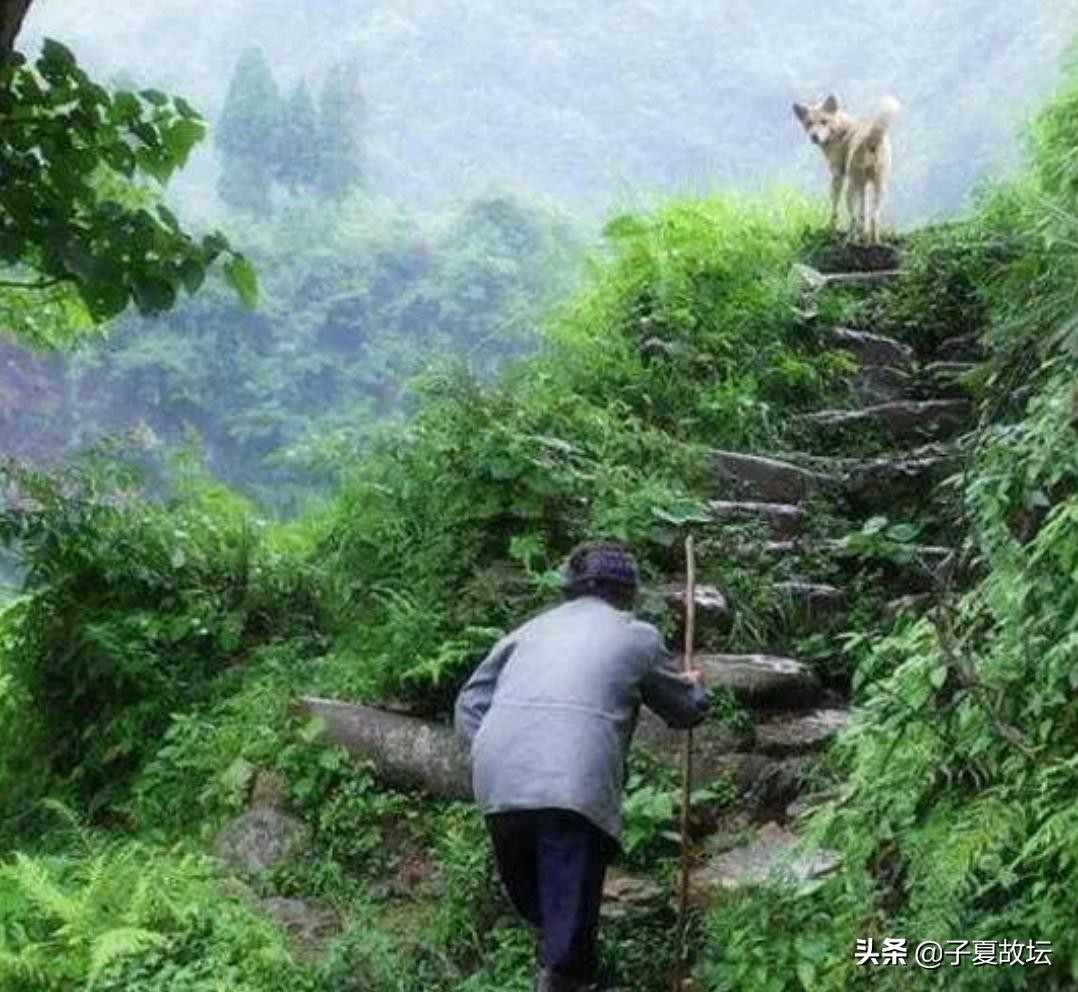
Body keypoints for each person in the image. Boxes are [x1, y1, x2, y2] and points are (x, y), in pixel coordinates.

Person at [454, 540, 709, 992]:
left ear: (570, 589)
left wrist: (490, 752)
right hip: (573, 789)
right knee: (566, 944)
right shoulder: (636, 635)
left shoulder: (527, 631)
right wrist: (693, 687)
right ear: (627, 593)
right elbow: (685, 710)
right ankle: (567, 976)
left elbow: (470, 701)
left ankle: (571, 973)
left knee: (551, 918)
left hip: (499, 784)